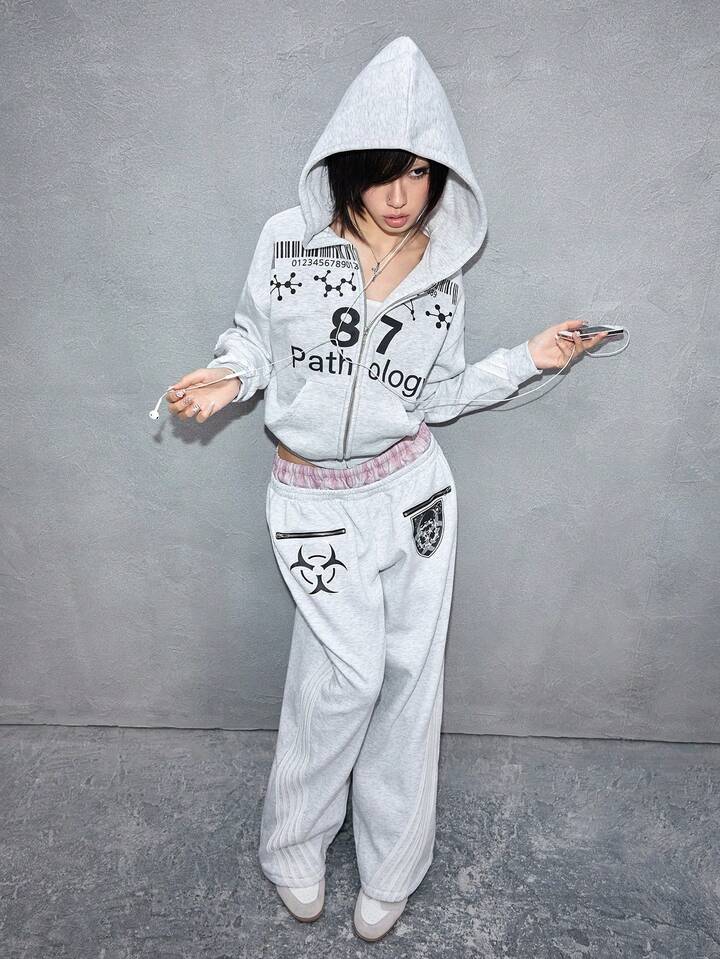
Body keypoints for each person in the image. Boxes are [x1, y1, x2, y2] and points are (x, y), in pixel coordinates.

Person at [167, 36, 610, 943]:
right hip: (313, 500)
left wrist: (532, 358)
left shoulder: (442, 273)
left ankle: (395, 862)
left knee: (410, 680)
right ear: (349, 165)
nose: (401, 195)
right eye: (383, 172)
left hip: (413, 494)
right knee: (343, 675)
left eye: (418, 172)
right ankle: (293, 840)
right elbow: (252, 336)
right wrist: (229, 376)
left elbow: (438, 394)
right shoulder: (286, 240)